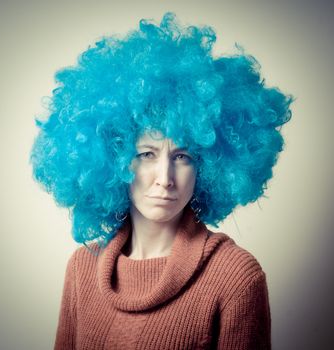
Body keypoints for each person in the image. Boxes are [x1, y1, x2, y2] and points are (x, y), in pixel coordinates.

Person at [30, 12, 293, 350]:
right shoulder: (82, 268)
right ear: (113, 158)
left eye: (182, 157)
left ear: (208, 166)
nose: (165, 178)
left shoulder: (235, 277)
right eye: (147, 155)